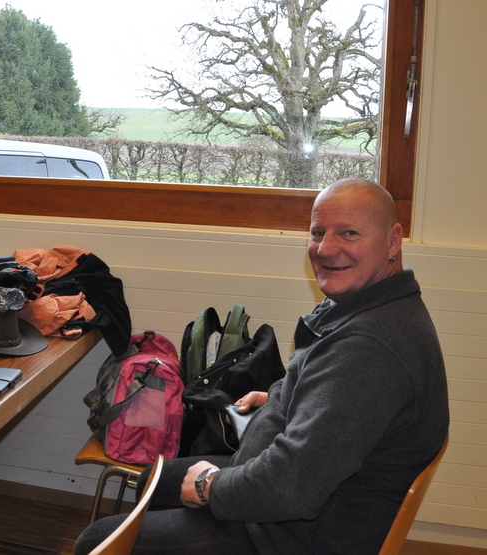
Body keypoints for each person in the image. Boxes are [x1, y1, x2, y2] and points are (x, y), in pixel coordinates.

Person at [74, 179, 449, 554]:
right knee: (155, 481)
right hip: (296, 500)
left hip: (295, 535)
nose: (325, 249)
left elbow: (291, 487)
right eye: (318, 232)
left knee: (97, 541)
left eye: (349, 233)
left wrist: (209, 486)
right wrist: (282, 400)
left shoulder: (368, 347)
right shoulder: (365, 303)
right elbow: (338, 403)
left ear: (393, 241)